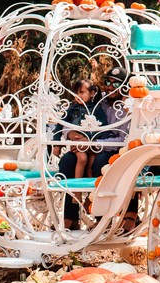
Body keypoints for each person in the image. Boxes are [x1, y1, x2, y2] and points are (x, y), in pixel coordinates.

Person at [58, 66, 137, 230]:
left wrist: (95, 144)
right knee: (67, 162)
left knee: (99, 164)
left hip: (114, 149)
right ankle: (71, 217)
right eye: (108, 82)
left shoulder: (129, 106)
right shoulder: (97, 99)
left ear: (124, 87)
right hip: (87, 145)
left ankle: (102, 218)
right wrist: (72, 135)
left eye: (115, 84)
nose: (110, 87)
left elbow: (123, 138)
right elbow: (71, 117)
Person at [53, 79, 98, 179]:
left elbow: (103, 126)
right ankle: (77, 190)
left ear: (92, 93)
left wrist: (91, 139)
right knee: (82, 159)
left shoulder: (97, 109)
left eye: (82, 92)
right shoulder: (72, 109)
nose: (78, 96)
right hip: (78, 142)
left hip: (92, 144)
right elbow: (60, 125)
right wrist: (57, 145)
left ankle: (90, 192)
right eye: (76, 93)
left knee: (91, 166)